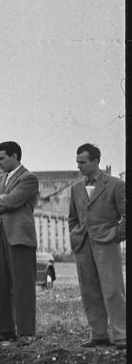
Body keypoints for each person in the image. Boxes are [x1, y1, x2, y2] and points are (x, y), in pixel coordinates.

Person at [0, 141, 39, 345]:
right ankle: (5, 330)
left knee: (23, 285)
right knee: (1, 284)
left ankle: (26, 332)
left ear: (15, 156)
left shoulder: (29, 178)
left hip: (20, 236)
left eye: (3, 158)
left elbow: (12, 201)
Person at [69, 144, 126, 350]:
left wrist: (115, 236)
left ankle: (122, 335)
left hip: (106, 243)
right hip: (83, 244)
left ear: (95, 161)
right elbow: (72, 218)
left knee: (113, 289)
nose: (79, 167)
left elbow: (126, 215)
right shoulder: (76, 188)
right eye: (78, 163)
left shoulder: (116, 184)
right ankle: (99, 334)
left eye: (83, 162)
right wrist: (75, 235)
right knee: (89, 290)